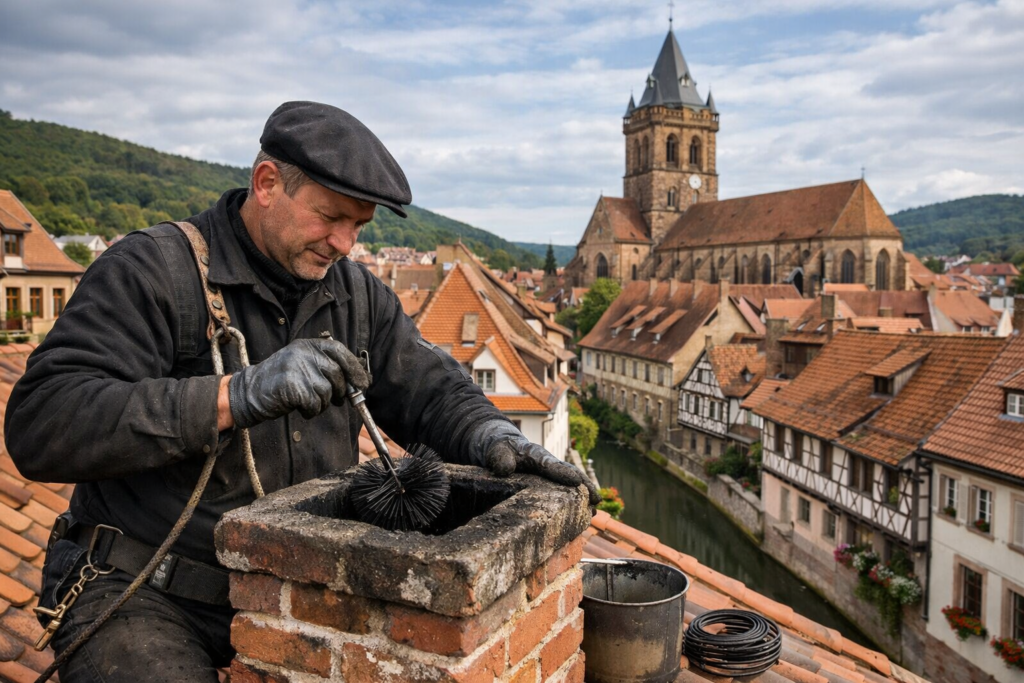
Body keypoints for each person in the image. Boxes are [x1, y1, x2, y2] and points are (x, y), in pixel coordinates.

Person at [5, 101, 598, 683]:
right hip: (145, 592)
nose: (344, 243)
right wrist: (236, 395)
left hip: (294, 593)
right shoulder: (154, 271)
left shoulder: (355, 295)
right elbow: (41, 423)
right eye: (330, 217)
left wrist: (491, 433)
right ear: (267, 183)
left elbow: (429, 388)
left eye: (358, 227)